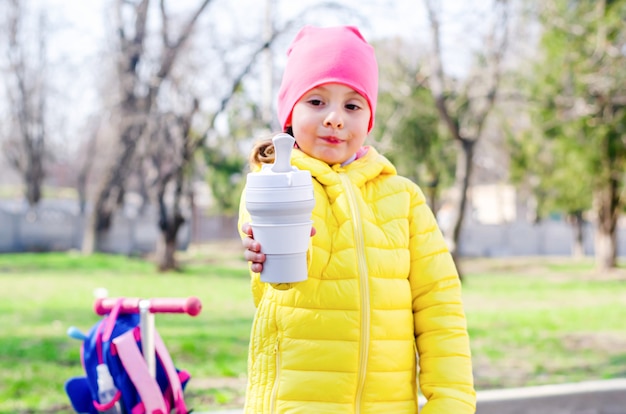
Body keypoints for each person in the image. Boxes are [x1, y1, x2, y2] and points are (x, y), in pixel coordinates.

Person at [238, 25, 475, 414]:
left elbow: (440, 310)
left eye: (352, 105)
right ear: (289, 113)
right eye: (316, 101)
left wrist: (451, 404)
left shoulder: (404, 199)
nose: (334, 118)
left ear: (369, 118)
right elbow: (282, 281)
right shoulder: (273, 184)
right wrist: (266, 253)